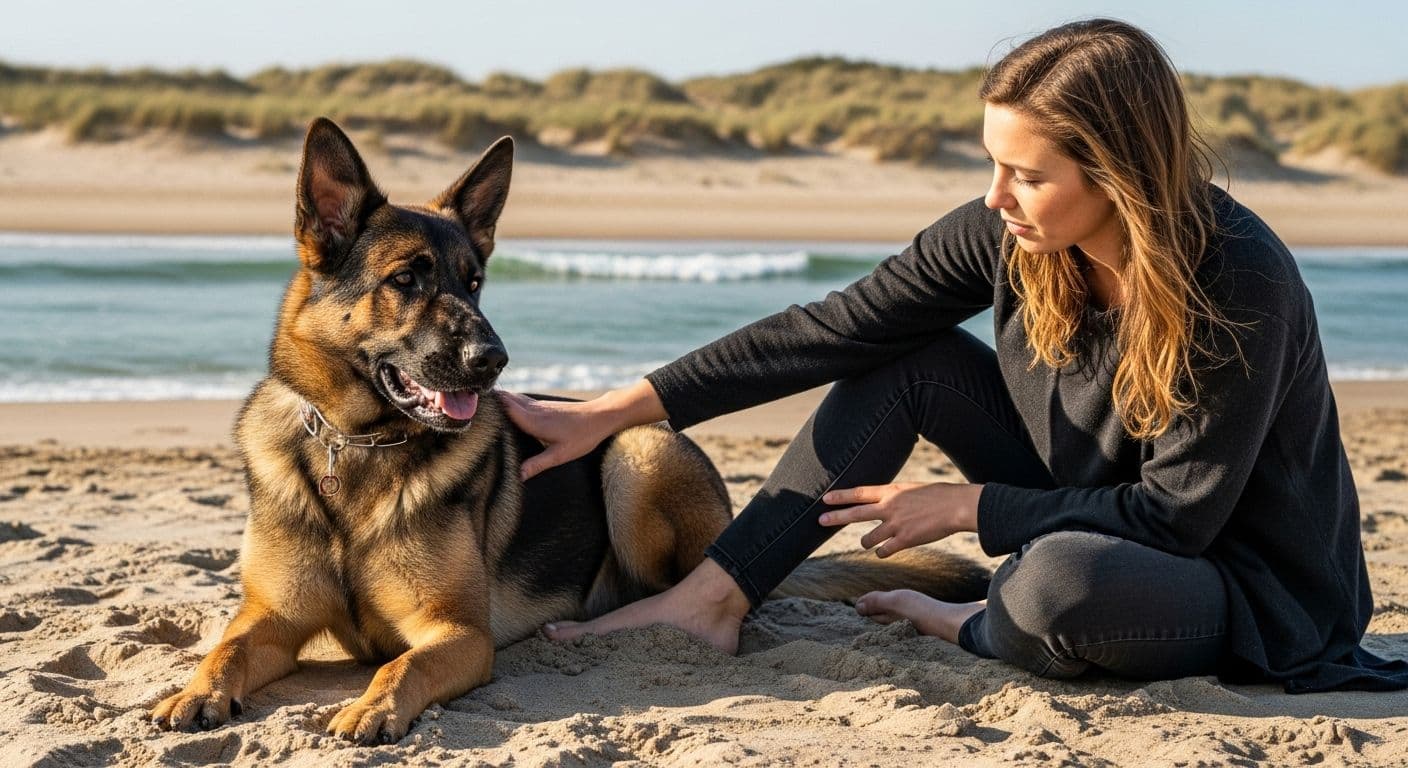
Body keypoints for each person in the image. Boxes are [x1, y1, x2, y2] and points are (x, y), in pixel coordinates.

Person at [497, 19, 1408, 691]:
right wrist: (621, 409)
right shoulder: (1008, 235)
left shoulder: (1238, 280)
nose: (997, 195)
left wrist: (969, 505)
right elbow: (833, 326)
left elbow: (1176, 522)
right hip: (1085, 509)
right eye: (993, 162)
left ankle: (973, 621)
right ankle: (713, 601)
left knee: (1057, 585)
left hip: (1239, 582)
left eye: (1030, 175)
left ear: (1119, 176)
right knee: (909, 359)